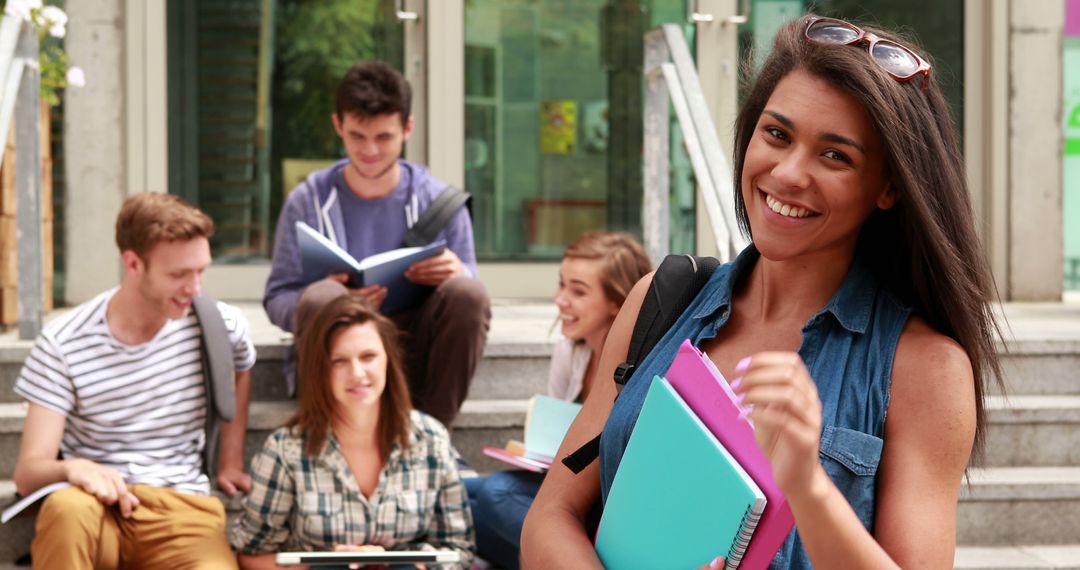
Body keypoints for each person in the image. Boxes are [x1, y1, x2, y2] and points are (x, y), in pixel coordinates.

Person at [521, 14, 1003, 569]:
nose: (789, 173)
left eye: (835, 155)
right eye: (777, 134)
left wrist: (806, 485)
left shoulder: (926, 368)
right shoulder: (662, 299)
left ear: (889, 187)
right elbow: (550, 515)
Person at [12, 192, 257, 569]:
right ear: (133, 263)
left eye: (201, 271)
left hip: (182, 510)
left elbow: (242, 368)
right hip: (94, 507)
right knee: (64, 510)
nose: (195, 288)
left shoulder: (219, 325)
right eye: (178, 275)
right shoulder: (64, 343)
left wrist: (231, 460)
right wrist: (72, 469)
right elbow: (29, 474)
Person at [264, 60, 490, 428]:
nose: (370, 150)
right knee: (322, 298)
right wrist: (332, 300)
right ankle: (332, 434)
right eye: (357, 136)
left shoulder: (441, 203)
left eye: (384, 137)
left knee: (468, 292)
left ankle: (431, 440)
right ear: (338, 125)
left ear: (407, 128)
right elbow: (277, 298)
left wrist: (457, 272)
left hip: (415, 353)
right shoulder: (307, 200)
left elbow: (471, 296)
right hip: (337, 351)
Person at [230, 295, 474, 569]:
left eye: (368, 356)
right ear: (320, 370)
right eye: (339, 361)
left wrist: (401, 565)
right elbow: (250, 553)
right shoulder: (286, 450)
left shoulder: (430, 439)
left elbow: (459, 550)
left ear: (388, 361)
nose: (357, 373)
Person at [465, 232, 651, 569]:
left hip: (602, 509)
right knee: (465, 495)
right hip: (561, 486)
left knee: (496, 494)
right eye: (561, 285)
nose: (560, 300)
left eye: (577, 291)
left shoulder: (641, 362)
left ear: (617, 301)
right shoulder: (571, 351)